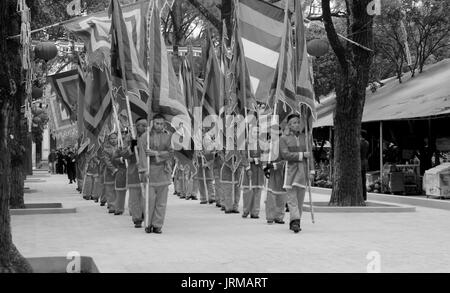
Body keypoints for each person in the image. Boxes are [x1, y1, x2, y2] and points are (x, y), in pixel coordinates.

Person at [138, 114, 173, 234]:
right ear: (152, 123)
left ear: (164, 124)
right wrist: (143, 170)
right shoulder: (145, 137)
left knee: (161, 202)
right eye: (157, 123)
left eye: (161, 124)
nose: (159, 126)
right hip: (150, 171)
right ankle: (148, 223)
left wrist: (156, 153)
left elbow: (171, 153)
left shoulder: (168, 137)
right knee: (149, 200)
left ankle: (157, 225)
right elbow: (142, 154)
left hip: (163, 171)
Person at [280, 114, 315, 233]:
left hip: (303, 172)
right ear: (289, 125)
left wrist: (312, 171)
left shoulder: (305, 137)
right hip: (290, 171)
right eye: (293, 123)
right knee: (291, 198)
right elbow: (285, 155)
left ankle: (296, 220)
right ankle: (295, 221)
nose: (296, 124)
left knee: (300, 199)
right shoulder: (283, 138)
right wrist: (301, 155)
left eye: (298, 122)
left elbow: (310, 155)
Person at [121, 117, 147, 228]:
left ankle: (146, 214)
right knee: (134, 198)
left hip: (147, 172)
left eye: (144, 125)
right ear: (135, 126)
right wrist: (131, 148)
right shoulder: (129, 138)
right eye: (140, 125)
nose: (142, 127)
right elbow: (123, 154)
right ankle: (137, 218)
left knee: (147, 197)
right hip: (134, 172)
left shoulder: (150, 138)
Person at [241, 127, 264, 219]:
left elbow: (265, 157)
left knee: (257, 191)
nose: (257, 133)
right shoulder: (246, 144)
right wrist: (247, 167)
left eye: (258, 132)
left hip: (258, 170)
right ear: (250, 132)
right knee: (247, 191)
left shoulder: (262, 144)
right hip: (249, 170)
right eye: (255, 132)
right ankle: (246, 210)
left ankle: (255, 212)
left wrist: (254, 160)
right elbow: (243, 156)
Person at [102, 132, 119, 214]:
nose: (113, 140)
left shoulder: (120, 147)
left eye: (114, 138)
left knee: (118, 190)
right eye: (111, 138)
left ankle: (118, 205)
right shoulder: (106, 149)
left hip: (120, 172)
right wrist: (113, 169)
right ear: (108, 140)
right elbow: (107, 161)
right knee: (110, 190)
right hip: (109, 172)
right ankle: (112, 206)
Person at [360, 130, 370, 201]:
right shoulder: (367, 143)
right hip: (364, 162)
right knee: (363, 180)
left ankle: (361, 195)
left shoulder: (359, 143)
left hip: (359, 162)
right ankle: (364, 196)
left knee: (359, 179)